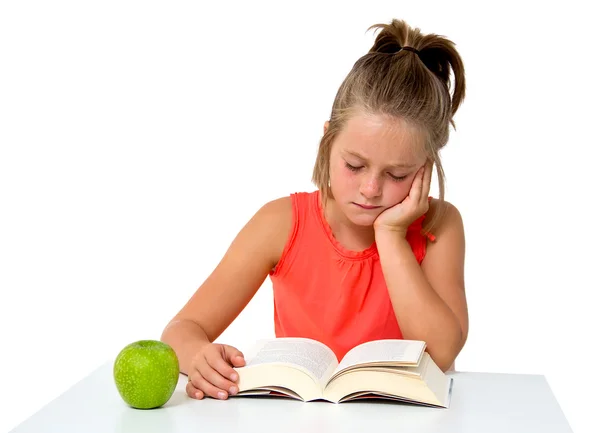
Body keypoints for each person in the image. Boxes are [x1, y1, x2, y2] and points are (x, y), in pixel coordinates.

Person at [161, 18, 469, 401]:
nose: (370, 189)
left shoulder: (440, 226)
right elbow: (181, 328)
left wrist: (390, 236)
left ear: (425, 169)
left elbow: (442, 352)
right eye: (354, 166)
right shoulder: (281, 223)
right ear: (327, 140)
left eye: (397, 174)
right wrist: (198, 355)